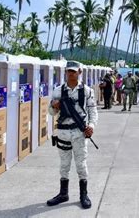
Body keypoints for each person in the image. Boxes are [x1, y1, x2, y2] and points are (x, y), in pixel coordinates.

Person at [47, 61, 97, 209]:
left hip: (79, 132)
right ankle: (63, 193)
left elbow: (93, 111)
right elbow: (50, 113)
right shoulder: (58, 90)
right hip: (62, 132)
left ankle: (83, 194)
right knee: (64, 164)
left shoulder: (87, 91)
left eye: (74, 71)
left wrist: (91, 126)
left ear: (79, 72)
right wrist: (53, 106)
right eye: (68, 71)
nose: (71, 74)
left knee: (81, 164)